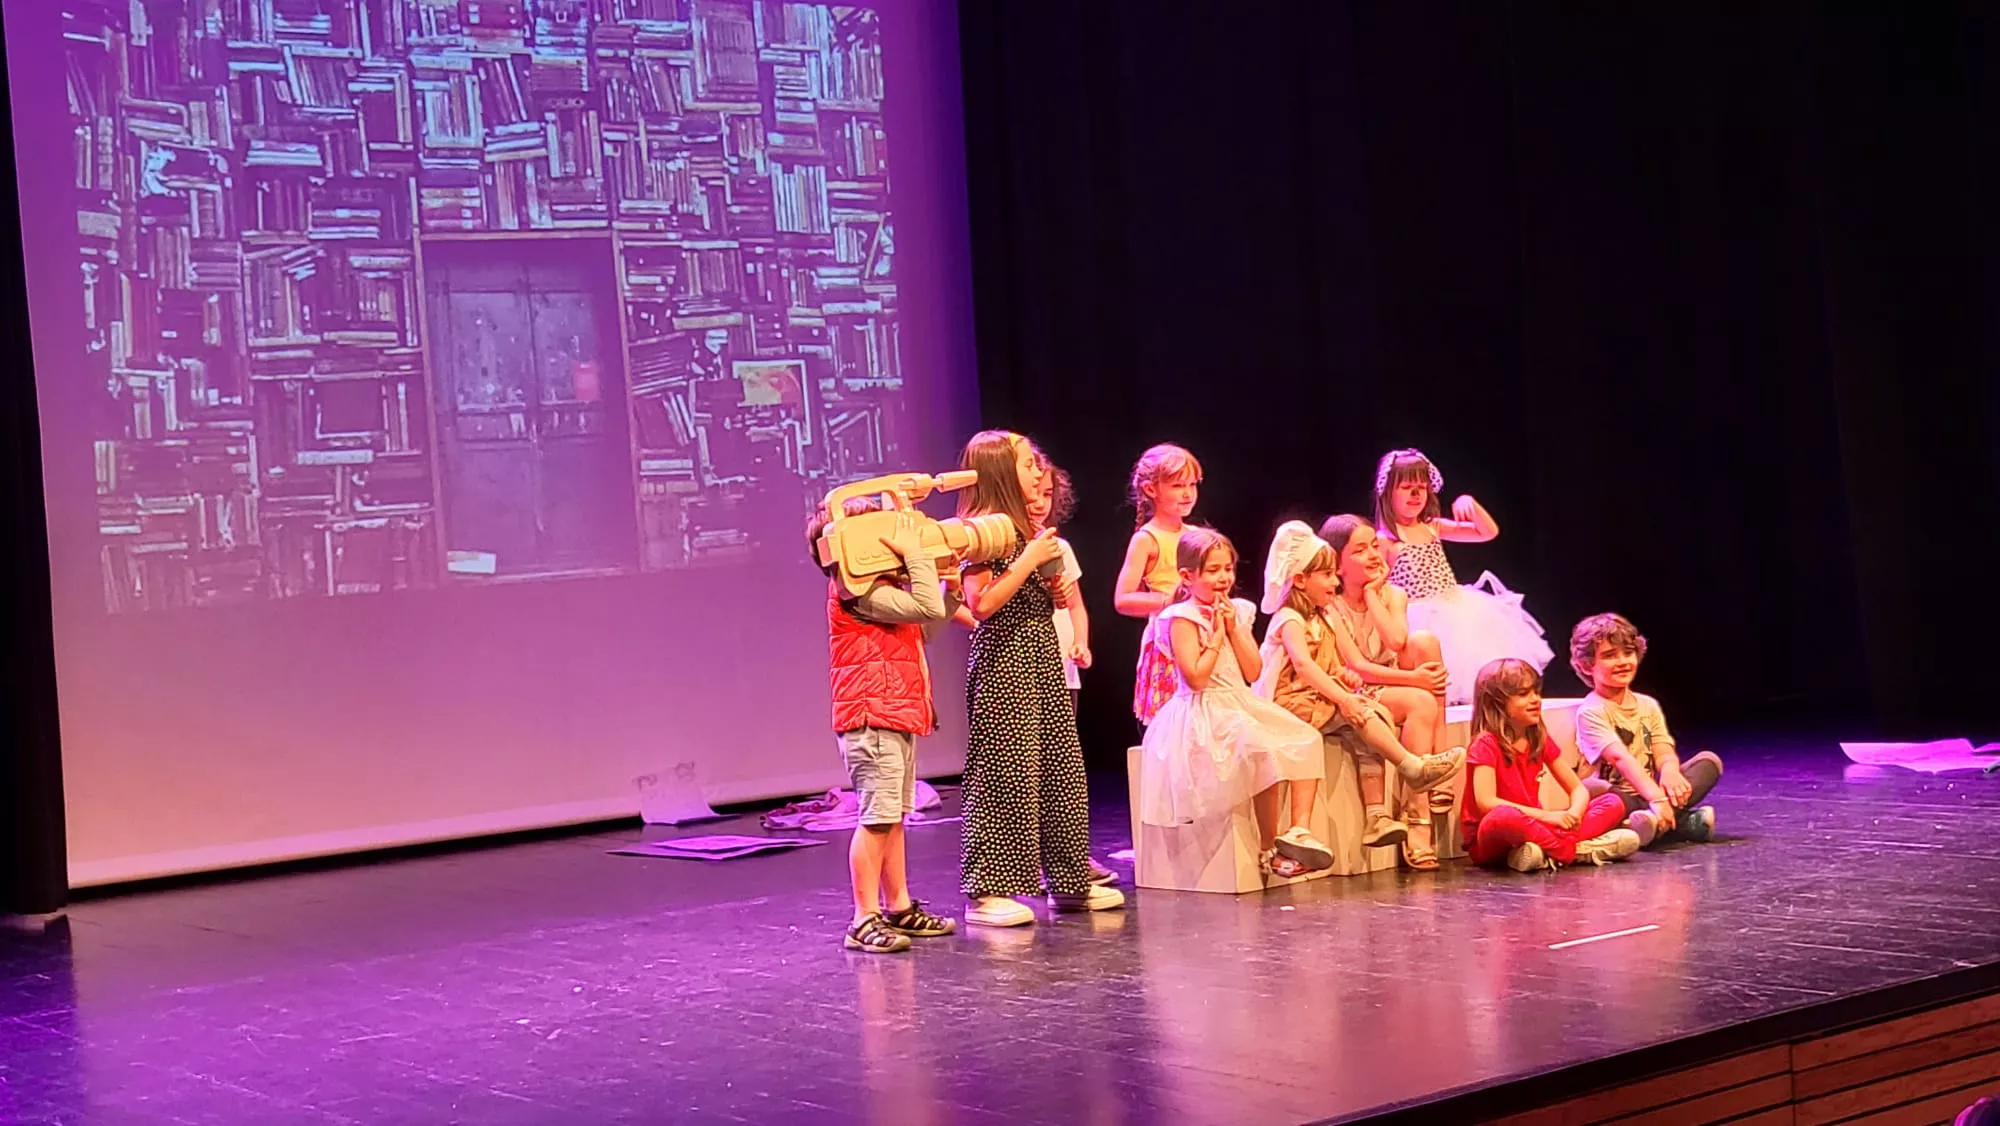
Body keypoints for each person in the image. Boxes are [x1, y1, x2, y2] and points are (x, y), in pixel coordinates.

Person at [956, 431, 1122, 927]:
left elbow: (1057, 600)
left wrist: (1050, 581)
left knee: (1060, 771)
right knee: (1005, 775)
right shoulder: (983, 532)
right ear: (1001, 473)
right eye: (1027, 464)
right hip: (1005, 664)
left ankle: (1068, 882)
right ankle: (986, 892)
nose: (1036, 471)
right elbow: (980, 605)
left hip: (1044, 659)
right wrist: (1027, 561)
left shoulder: (1031, 531)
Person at [1257, 522, 1465, 854]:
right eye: (1359, 549)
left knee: (1378, 708)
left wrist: (1345, 678)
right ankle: (1411, 772)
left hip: (1332, 693)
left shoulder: (1333, 612)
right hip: (1301, 700)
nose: (1334, 582)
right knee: (1368, 712)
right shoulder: (1305, 615)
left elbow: (1374, 650)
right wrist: (1347, 691)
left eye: (1374, 545)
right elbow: (1309, 666)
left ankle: (1382, 812)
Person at [812, 496, 963, 952]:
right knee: (877, 819)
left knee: (893, 817)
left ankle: (898, 907)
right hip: (871, 715)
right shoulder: (855, 589)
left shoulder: (881, 587)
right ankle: (863, 917)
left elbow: (926, 624)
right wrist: (918, 557)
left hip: (894, 712)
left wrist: (950, 588)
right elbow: (925, 608)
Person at [1137, 527, 1331, 880]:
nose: (1223, 577)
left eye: (1228, 568)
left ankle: (1297, 831)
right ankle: (1268, 849)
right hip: (1203, 709)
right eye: (1212, 570)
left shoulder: (1236, 611)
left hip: (1239, 701)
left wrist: (1235, 629)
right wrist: (1215, 638)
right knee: (1261, 749)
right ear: (1187, 576)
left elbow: (1253, 670)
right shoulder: (1180, 617)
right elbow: (1195, 677)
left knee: (1305, 738)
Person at [1319, 514, 1458, 870]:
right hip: (1356, 686)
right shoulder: (1329, 602)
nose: (1372, 555)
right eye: (1359, 549)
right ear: (1337, 561)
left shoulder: (1392, 593)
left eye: (1374, 546)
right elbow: (1359, 667)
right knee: (1421, 698)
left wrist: (1370, 593)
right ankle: (1419, 815)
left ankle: (1430, 773)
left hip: (1390, 678)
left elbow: (1396, 641)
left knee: (1424, 642)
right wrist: (1417, 681)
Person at [1373, 448, 1553, 706]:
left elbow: (1486, 532)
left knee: (1484, 678)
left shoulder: (1432, 526)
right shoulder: (1385, 540)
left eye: (1422, 487)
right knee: (1443, 682)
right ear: (1387, 491)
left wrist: (1472, 504)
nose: (1416, 495)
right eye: (1407, 487)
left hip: (1458, 609)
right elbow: (1379, 591)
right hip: (1419, 619)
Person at [1463, 658, 1642, 872]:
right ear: (1497, 704)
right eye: (1523, 694)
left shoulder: (1538, 738)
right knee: (1503, 817)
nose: (1535, 700)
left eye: (1536, 692)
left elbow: (1577, 788)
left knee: (1613, 802)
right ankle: (1574, 852)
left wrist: (1574, 813)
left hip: (1535, 828)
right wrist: (1549, 817)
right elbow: (1487, 803)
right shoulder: (1486, 743)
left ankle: (1540, 853)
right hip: (1495, 836)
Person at [1570, 613, 1723, 846]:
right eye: (1610, 656)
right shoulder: (1591, 711)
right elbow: (1620, 758)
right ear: (1587, 665)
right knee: (1603, 794)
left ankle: (1649, 824)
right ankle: (1676, 822)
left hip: (1650, 791)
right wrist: (1658, 798)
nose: (1623, 661)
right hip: (1617, 794)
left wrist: (1670, 772)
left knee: (1708, 762)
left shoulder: (1647, 704)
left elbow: (1663, 751)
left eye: (1628, 652)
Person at [1113, 443, 1203, 726]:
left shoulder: (1197, 535)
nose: (1188, 493)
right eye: (1178, 485)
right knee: (1169, 726)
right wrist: (1174, 600)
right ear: (1152, 489)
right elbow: (1123, 598)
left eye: (1192, 484)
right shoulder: (1147, 539)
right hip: (1168, 642)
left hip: (1202, 637)